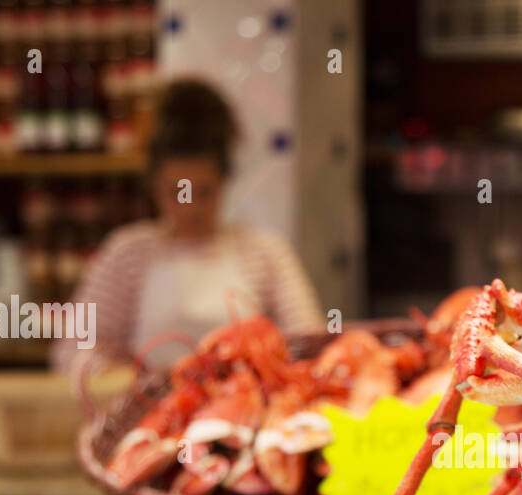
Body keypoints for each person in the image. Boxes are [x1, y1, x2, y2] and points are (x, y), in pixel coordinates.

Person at [53, 79, 324, 370]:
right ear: (154, 186)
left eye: (204, 192)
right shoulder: (126, 254)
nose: (191, 208)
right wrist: (118, 371)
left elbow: (311, 346)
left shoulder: (267, 254)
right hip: (152, 407)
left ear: (224, 182)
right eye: (177, 193)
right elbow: (70, 352)